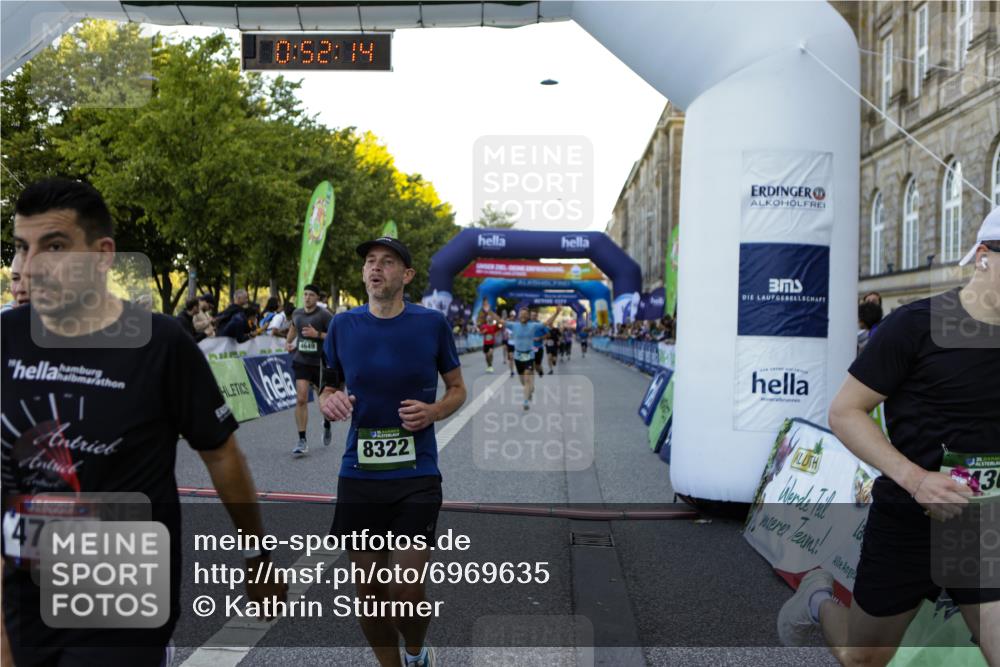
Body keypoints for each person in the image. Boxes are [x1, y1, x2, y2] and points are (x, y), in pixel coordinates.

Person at [1, 178, 285, 667]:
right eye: (23, 249)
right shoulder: (4, 335)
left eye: (54, 247)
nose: (29, 267)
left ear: (102, 255)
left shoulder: (161, 344)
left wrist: (256, 556)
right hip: (19, 586)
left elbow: (221, 454)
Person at [776, 207, 1000, 665]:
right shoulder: (916, 325)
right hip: (909, 517)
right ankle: (819, 598)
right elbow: (845, 412)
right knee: (864, 658)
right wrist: (915, 479)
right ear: (984, 256)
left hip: (983, 527)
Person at [319, 236, 467, 667]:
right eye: (370, 261)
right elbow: (329, 387)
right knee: (370, 598)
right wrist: (328, 400)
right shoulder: (342, 326)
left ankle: (418, 652)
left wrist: (435, 410)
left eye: (387, 262)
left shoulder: (431, 325)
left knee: (405, 593)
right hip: (359, 475)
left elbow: (458, 389)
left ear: (407, 275)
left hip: (416, 473)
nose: (376, 268)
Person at [285, 284, 333, 457]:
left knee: (323, 405)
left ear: (317, 298)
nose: (307, 297)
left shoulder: (325, 315)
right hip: (301, 361)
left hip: (319, 363)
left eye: (311, 295)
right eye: (305, 294)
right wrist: (288, 342)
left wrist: (317, 335)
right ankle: (302, 440)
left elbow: (335, 335)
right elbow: (293, 327)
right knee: (301, 399)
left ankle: (327, 423)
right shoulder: (297, 313)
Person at [508, 306, 561, 409]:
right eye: (531, 315)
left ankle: (527, 397)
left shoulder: (536, 325)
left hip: (536, 348)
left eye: (532, 315)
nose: (532, 316)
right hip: (522, 352)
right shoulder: (519, 325)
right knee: (524, 379)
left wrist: (540, 338)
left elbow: (547, 329)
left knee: (535, 367)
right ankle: (529, 388)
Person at [478, 307, 499, 373]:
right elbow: (480, 333)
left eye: (490, 318)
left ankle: (491, 365)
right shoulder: (484, 326)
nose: (489, 319)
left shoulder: (494, 326)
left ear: (491, 319)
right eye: (488, 318)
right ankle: (489, 366)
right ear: (486, 320)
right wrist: (483, 332)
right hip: (485, 343)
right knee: (487, 356)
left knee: (490, 354)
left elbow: (499, 329)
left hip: (491, 343)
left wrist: (496, 333)